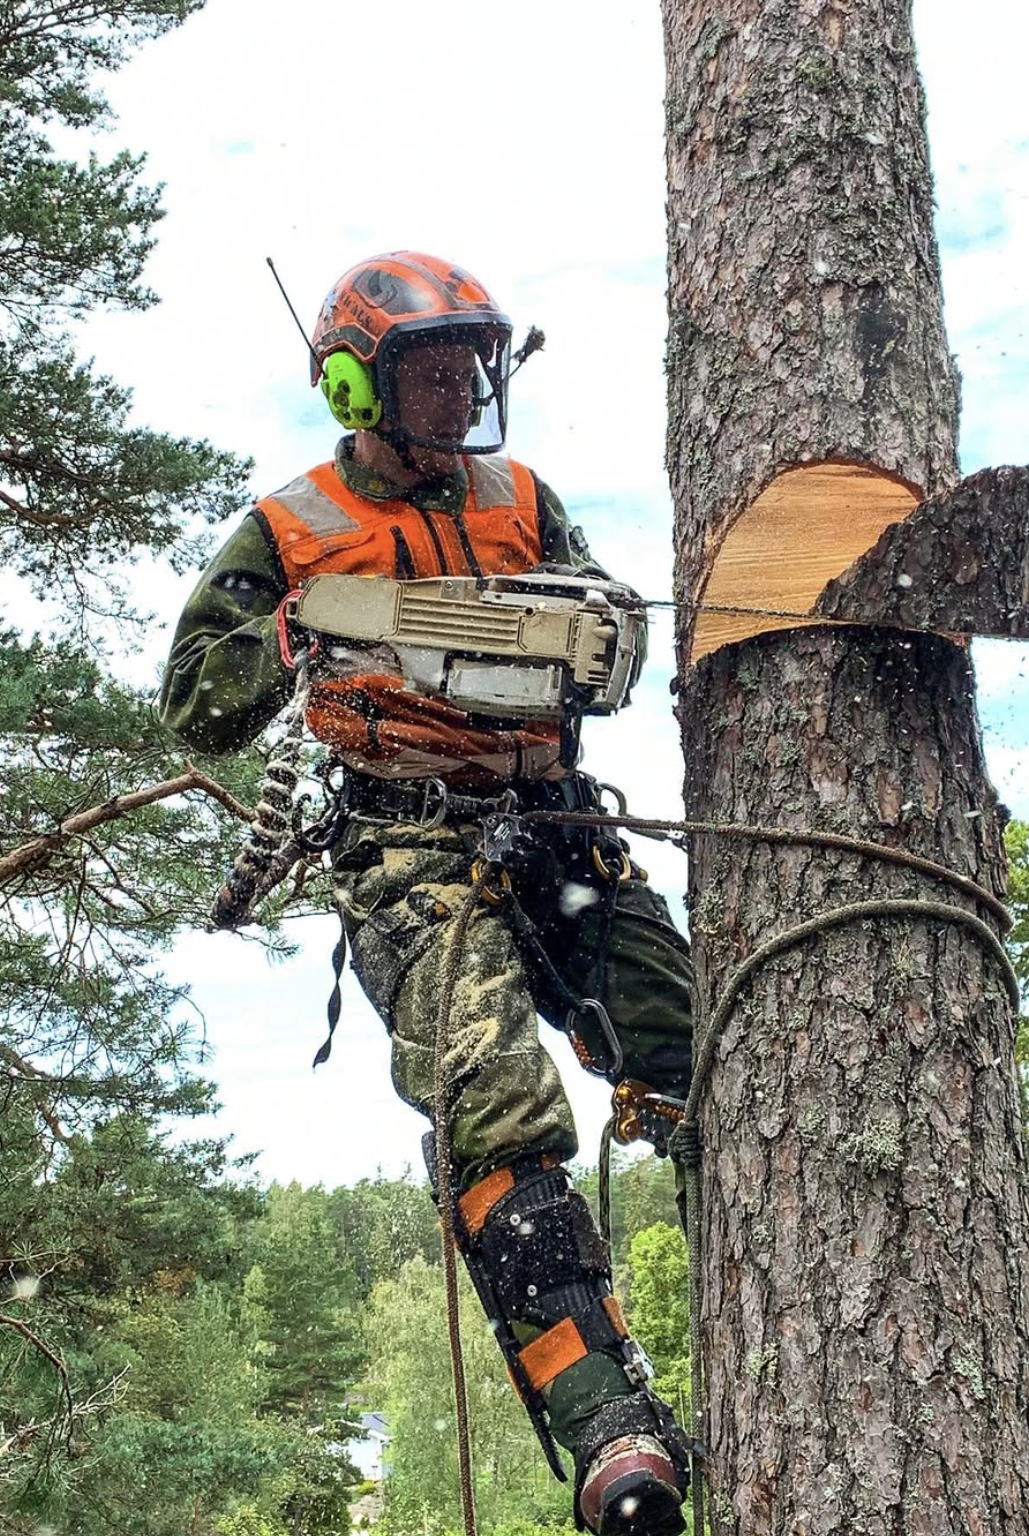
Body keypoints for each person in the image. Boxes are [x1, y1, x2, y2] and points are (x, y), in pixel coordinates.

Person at [159, 252, 693, 1536]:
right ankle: (608, 1430)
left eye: (470, 367)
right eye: (431, 370)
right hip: (409, 846)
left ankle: (763, 1312)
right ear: (358, 381)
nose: (458, 393)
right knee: (495, 1108)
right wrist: (301, 633)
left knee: (691, 1043)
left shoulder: (522, 497)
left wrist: (591, 633)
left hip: (552, 819)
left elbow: (604, 628)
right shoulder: (287, 529)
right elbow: (197, 705)